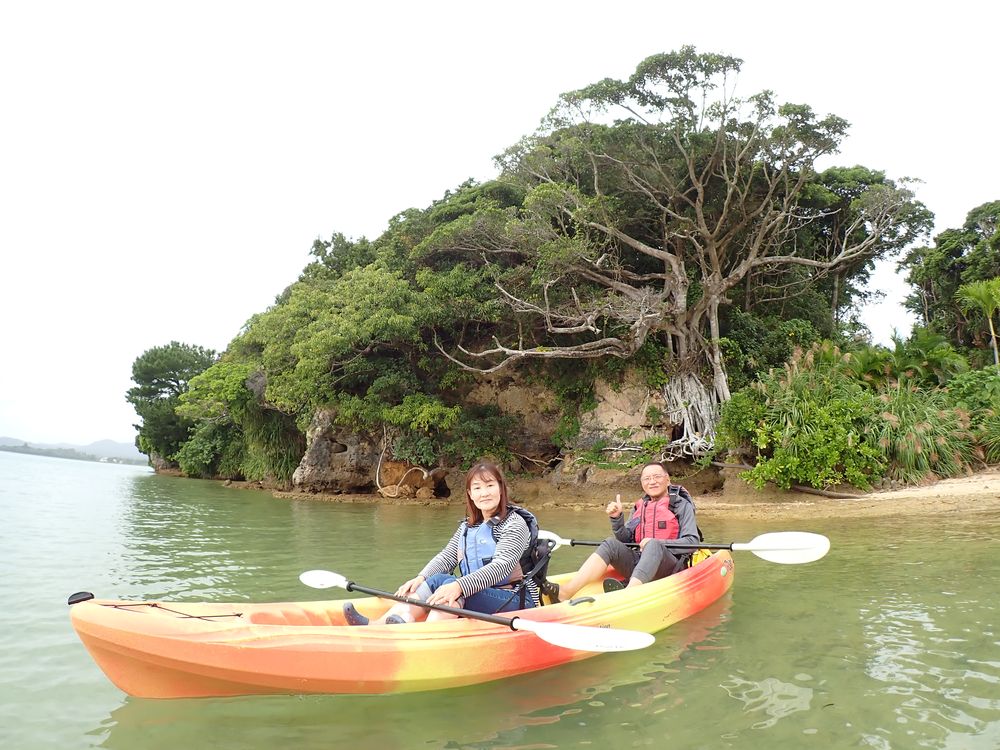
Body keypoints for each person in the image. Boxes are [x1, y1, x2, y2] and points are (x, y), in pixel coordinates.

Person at [343, 460, 539, 625]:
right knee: (437, 579)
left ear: (501, 489)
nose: (484, 493)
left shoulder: (514, 524)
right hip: (478, 593)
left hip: (515, 598)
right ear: (470, 494)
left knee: (451, 588)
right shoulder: (469, 526)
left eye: (490, 486)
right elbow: (447, 557)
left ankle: (424, 634)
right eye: (477, 488)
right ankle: (384, 624)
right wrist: (421, 578)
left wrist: (459, 586)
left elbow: (501, 567)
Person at [542, 461, 699, 602]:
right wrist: (616, 518)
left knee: (654, 545)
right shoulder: (640, 507)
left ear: (667, 479)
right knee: (610, 544)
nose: (652, 481)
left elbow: (692, 542)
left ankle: (627, 596)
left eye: (657, 477)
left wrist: (656, 543)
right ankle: (566, 591)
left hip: (669, 568)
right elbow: (625, 540)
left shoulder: (681, 505)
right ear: (642, 483)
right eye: (647, 478)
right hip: (640, 564)